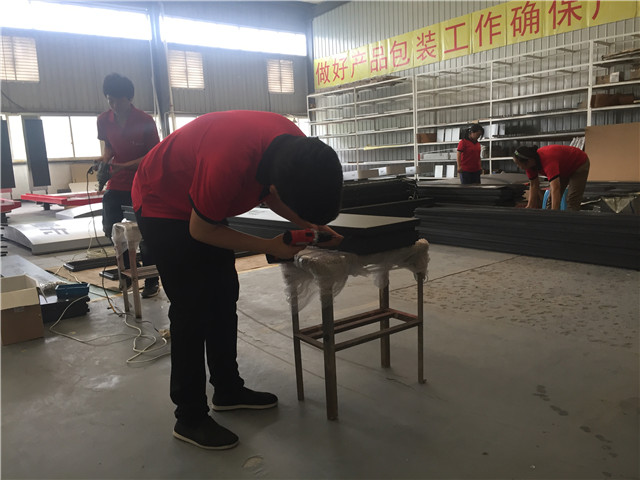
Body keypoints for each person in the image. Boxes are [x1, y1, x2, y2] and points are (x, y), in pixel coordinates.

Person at [131, 110, 344, 450]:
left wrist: (314, 226)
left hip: (200, 197)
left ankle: (227, 389)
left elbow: (274, 194)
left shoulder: (297, 149)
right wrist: (269, 246)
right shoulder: (227, 162)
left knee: (223, 293)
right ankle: (189, 417)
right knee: (191, 307)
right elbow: (201, 230)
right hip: (162, 202)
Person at [96, 73, 161, 298]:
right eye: (110, 100)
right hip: (117, 183)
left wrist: (123, 166)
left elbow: (153, 156)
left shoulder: (145, 121)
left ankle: (151, 280)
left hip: (143, 183)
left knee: (147, 232)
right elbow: (109, 146)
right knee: (110, 228)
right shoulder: (103, 120)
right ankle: (126, 273)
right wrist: (106, 160)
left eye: (118, 101)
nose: (114, 105)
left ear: (130, 98)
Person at [512, 145, 590, 211]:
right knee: (551, 200)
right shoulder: (529, 166)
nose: (518, 167)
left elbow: (555, 188)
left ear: (528, 161)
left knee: (572, 200)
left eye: (518, 164)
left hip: (579, 163)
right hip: (563, 167)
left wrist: (554, 213)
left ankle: (571, 223)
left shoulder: (547, 160)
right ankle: (548, 220)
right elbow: (533, 185)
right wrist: (529, 206)